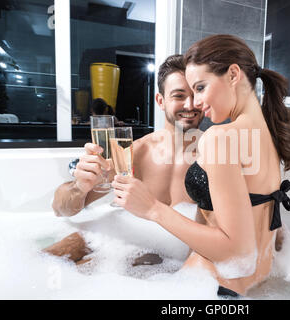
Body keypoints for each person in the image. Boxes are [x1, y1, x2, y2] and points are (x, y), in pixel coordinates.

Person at [109, 34, 290, 297]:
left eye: (200, 87)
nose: (195, 102)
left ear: (233, 75)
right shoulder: (268, 134)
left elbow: (238, 253)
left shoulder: (220, 138)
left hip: (213, 288)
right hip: (257, 282)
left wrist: (153, 209)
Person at [47, 54, 204, 263]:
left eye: (197, 93)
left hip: (169, 256)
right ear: (161, 101)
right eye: (179, 95)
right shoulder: (135, 152)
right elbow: (60, 210)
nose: (190, 104)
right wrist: (80, 186)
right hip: (126, 240)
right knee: (48, 258)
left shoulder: (215, 155)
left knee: (95, 268)